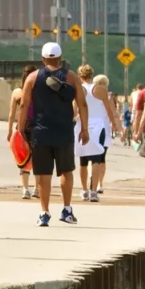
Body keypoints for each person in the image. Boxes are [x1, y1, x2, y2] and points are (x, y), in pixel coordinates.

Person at [16, 43, 90, 227]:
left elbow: (24, 105)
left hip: (40, 132)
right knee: (66, 171)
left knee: (42, 173)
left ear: (42, 59)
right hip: (64, 131)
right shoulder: (72, 77)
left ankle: (44, 212)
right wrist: (84, 129)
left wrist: (19, 131)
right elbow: (82, 104)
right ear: (60, 58)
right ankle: (66, 209)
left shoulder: (32, 78)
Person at [74, 66, 120, 203]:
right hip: (99, 126)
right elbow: (108, 109)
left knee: (83, 160)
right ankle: (94, 191)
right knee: (96, 159)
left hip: (83, 124)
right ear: (91, 74)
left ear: (79, 75)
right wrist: (113, 124)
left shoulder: (78, 89)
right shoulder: (100, 90)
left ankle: (84, 190)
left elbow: (74, 111)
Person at [7, 64, 40, 199]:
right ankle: (37, 189)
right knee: (38, 158)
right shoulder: (39, 92)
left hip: (22, 127)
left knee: (23, 158)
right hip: (38, 127)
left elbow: (11, 114)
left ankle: (25, 189)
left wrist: (9, 131)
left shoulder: (17, 92)